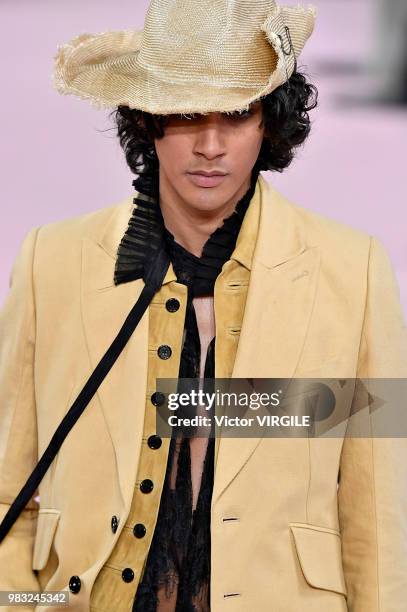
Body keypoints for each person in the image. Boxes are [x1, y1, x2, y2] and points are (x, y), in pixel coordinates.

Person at [0, 1, 406, 611]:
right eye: (186, 114)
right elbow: (9, 485)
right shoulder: (52, 262)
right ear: (146, 122)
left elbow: (377, 512)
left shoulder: (351, 271)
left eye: (237, 113)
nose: (211, 145)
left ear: (269, 122)